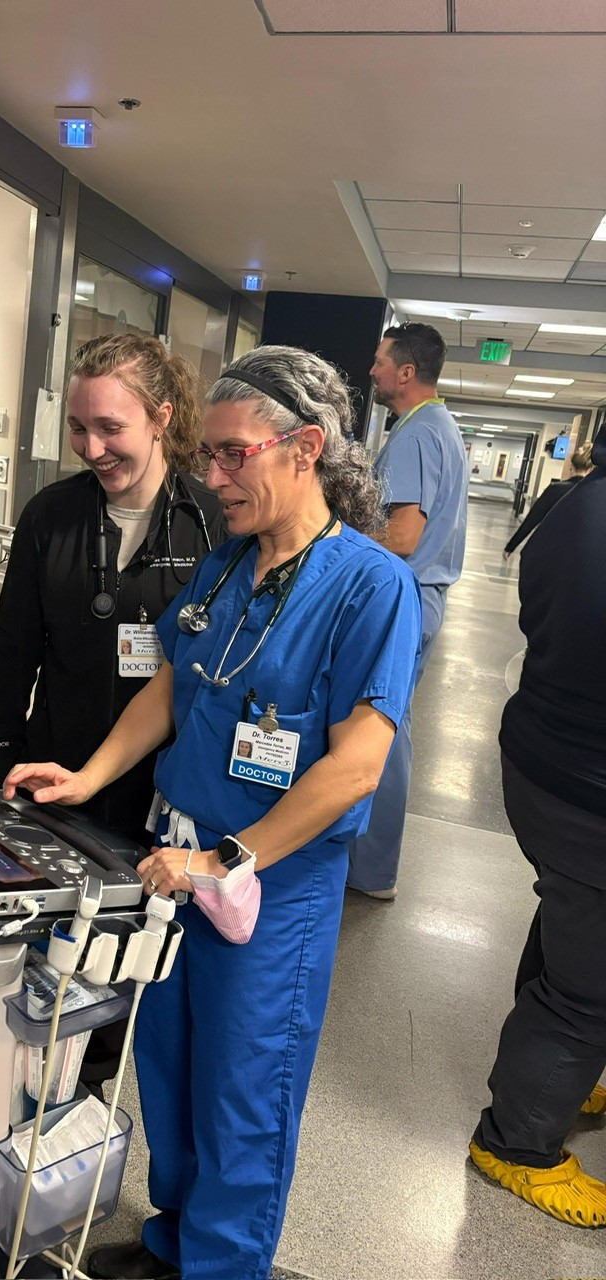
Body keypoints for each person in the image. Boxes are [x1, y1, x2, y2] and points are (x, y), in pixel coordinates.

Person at [4, 346, 423, 1280]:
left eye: (236, 455)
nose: (215, 475)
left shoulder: (371, 586)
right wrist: (88, 776)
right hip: (175, 864)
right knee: (170, 1064)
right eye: (211, 454)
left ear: (306, 448)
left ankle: (223, 1267)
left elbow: (356, 768)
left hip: (268, 887)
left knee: (244, 1091)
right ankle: (174, 1243)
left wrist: (227, 859)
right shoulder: (229, 565)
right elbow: (171, 683)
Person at [0, 331, 225, 1089]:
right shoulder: (51, 516)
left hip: (159, 787)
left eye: (110, 427)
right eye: (78, 427)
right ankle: (12, 1085)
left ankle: (85, 1099)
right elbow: (13, 654)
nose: (91, 447)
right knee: (41, 949)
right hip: (56, 769)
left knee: (122, 959)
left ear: (161, 417)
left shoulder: (214, 524)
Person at [469, 426, 606, 1227]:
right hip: (591, 793)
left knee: (572, 918)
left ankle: (565, 1073)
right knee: (590, 990)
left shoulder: (573, 502)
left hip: (543, 760)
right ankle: (517, 1142)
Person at [346, 321, 468, 900]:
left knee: (381, 732)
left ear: (406, 371)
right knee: (390, 728)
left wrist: (336, 539)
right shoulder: (439, 426)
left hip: (408, 597)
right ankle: (372, 864)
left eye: (380, 361)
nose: (372, 371)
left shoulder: (417, 433)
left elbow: (402, 535)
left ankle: (371, 871)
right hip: (425, 598)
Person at [502, 440, 595, 559]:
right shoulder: (594, 494)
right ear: (591, 469)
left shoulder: (555, 489)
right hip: (579, 555)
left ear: (571, 466)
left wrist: (510, 546)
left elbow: (531, 520)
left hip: (549, 549)